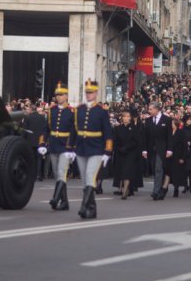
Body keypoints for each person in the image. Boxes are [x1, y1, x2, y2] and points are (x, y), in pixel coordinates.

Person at [74, 79, 113, 219]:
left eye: (91, 92)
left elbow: (108, 132)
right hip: (81, 148)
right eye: (87, 92)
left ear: (96, 93)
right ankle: (92, 208)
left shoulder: (101, 111)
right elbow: (75, 130)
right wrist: (70, 148)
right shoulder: (79, 109)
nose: (88, 95)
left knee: (91, 176)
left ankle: (83, 207)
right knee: (84, 179)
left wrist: (107, 151)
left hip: (96, 149)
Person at [46, 83, 76, 211]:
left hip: (65, 146)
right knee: (56, 173)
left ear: (66, 96)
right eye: (57, 95)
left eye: (61, 95)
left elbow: (74, 131)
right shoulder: (52, 110)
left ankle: (55, 198)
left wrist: (72, 148)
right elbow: (46, 128)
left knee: (62, 173)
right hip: (53, 145)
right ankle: (65, 202)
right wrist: (42, 143)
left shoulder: (71, 111)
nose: (59, 97)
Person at [144, 102, 173, 200]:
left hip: (162, 149)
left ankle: (155, 191)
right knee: (154, 169)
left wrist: (169, 149)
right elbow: (145, 137)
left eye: (151, 109)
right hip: (151, 149)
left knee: (158, 169)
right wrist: (144, 150)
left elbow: (169, 136)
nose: (149, 111)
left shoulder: (167, 119)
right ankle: (162, 188)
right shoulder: (147, 120)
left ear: (157, 109)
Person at [113, 110, 143, 199]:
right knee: (121, 171)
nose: (126, 118)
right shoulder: (117, 128)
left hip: (131, 153)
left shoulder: (134, 128)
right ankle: (121, 188)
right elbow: (115, 140)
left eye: (127, 116)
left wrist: (127, 147)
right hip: (120, 153)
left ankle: (125, 190)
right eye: (124, 116)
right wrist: (119, 148)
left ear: (130, 118)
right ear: (122, 118)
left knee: (127, 172)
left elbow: (137, 141)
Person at [23, 101, 48, 182]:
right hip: (39, 141)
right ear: (36, 109)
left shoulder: (27, 117)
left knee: (31, 159)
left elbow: (25, 131)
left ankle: (32, 175)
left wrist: (23, 139)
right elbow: (45, 130)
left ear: (31, 109)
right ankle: (39, 175)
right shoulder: (42, 117)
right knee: (39, 159)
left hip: (29, 141)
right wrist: (44, 140)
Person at [167, 118, 188, 197]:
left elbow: (184, 146)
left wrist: (183, 157)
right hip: (169, 156)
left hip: (178, 156)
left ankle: (176, 188)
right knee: (168, 172)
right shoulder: (168, 132)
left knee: (176, 173)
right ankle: (165, 187)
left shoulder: (181, 133)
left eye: (172, 123)